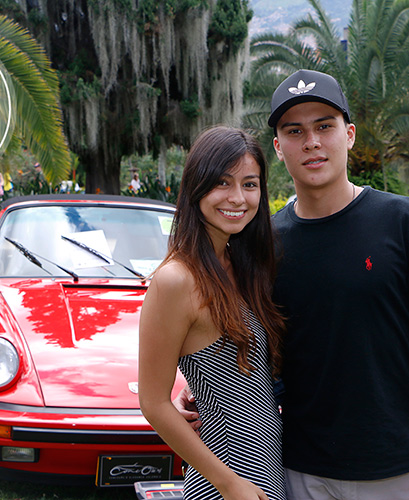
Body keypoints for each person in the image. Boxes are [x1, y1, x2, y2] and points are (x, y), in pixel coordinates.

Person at [176, 70, 409, 500]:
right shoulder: (263, 244)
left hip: (400, 470)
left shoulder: (405, 222)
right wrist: (197, 389)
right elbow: (252, 344)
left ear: (349, 134)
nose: (312, 142)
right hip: (299, 473)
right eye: (294, 131)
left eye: (324, 126)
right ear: (278, 148)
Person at [138, 126, 287, 500]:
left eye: (250, 184)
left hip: (269, 469)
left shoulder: (243, 265)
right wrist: (228, 483)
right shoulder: (175, 280)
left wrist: (203, 383)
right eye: (223, 182)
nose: (238, 198)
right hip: (223, 482)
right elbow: (153, 403)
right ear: (196, 187)